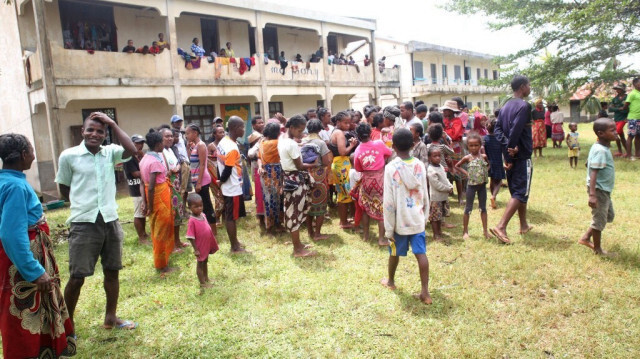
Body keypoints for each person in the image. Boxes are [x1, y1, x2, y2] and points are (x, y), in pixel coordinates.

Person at [55, 112, 138, 331]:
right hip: (83, 223)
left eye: (100, 131)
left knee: (112, 271)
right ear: (82, 132)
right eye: (90, 129)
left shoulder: (110, 153)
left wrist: (112, 123)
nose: (95, 134)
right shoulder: (69, 156)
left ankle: (110, 317)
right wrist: (81, 202)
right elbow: (64, 188)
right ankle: (67, 325)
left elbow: (132, 150)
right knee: (77, 277)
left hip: (110, 220)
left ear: (105, 135)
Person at [0, 134, 76, 359]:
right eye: (32, 150)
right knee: (24, 315)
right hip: (23, 264)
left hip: (15, 259)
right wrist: (34, 271)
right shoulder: (15, 186)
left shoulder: (7, 180)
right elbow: (12, 233)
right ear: (24, 155)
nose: (34, 155)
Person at [380, 128, 431, 305]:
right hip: (417, 218)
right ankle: (425, 292)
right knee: (421, 253)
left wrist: (388, 228)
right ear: (412, 144)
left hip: (398, 220)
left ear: (393, 146)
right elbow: (424, 191)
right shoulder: (419, 165)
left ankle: (391, 281)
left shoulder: (390, 168)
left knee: (394, 253)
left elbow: (388, 201)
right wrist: (425, 216)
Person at [491, 75, 534, 244]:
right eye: (529, 85)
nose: (530, 88)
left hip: (510, 156)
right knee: (520, 191)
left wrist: (507, 151)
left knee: (519, 190)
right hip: (522, 155)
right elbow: (516, 129)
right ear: (523, 87)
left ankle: (523, 224)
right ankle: (501, 226)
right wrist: (512, 148)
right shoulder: (524, 106)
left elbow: (498, 129)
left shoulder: (505, 106)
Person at [278, 115, 318, 257]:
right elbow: (300, 165)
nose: (301, 134)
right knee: (294, 213)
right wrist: (314, 164)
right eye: (299, 131)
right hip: (295, 179)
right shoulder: (292, 144)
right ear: (292, 128)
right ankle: (297, 250)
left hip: (288, 178)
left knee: (293, 211)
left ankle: (298, 244)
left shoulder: (282, 139)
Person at [578, 118, 617, 255]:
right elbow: (593, 172)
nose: (616, 132)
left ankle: (585, 238)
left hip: (604, 190)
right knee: (599, 219)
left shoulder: (599, 146)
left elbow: (588, 163)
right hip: (598, 191)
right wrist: (592, 195)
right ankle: (598, 249)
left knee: (607, 215)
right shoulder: (601, 150)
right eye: (612, 130)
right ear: (601, 133)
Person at [139, 130, 176, 274]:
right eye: (162, 142)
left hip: (154, 197)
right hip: (159, 199)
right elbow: (152, 186)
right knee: (161, 231)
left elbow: (142, 183)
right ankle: (162, 265)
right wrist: (148, 203)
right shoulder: (154, 162)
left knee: (157, 229)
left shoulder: (145, 159)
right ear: (158, 144)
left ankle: (164, 258)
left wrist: (145, 201)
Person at [353, 122, 392, 246]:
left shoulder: (358, 149)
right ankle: (381, 239)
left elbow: (358, 168)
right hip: (380, 180)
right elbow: (389, 152)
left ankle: (366, 236)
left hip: (367, 181)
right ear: (370, 133)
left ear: (358, 136)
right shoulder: (379, 144)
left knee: (365, 208)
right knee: (381, 210)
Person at [216, 117, 247, 253]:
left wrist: (220, 181)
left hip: (229, 185)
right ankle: (234, 247)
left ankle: (235, 241)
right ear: (235, 128)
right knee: (231, 217)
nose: (243, 130)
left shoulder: (223, 142)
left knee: (231, 216)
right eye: (242, 127)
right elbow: (228, 169)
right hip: (232, 186)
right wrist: (221, 181)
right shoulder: (231, 147)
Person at [455, 133, 490, 240]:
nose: (474, 148)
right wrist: (467, 174)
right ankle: (465, 231)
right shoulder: (467, 158)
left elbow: (488, 165)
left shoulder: (483, 157)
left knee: (483, 208)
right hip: (471, 186)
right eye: (471, 145)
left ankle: (485, 231)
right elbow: (457, 166)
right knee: (468, 208)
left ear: (480, 145)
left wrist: (485, 172)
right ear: (467, 146)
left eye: (476, 145)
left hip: (482, 186)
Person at [185, 124, 218, 239]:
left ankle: (213, 232)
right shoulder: (194, 146)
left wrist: (199, 182)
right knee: (202, 204)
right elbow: (192, 161)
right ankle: (206, 228)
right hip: (196, 179)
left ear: (195, 133)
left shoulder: (201, 145)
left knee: (207, 205)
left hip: (202, 180)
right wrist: (189, 148)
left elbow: (203, 164)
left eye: (188, 133)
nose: (186, 135)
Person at [302, 119, 333, 241]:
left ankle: (310, 232)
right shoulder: (320, 143)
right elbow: (325, 162)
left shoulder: (302, 141)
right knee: (320, 204)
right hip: (318, 174)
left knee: (308, 204)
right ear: (320, 129)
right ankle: (318, 234)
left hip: (305, 173)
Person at [160, 127, 188, 251]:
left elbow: (177, 163)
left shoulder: (171, 150)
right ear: (160, 138)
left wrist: (177, 166)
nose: (170, 138)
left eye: (171, 136)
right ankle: (171, 244)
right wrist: (171, 170)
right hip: (168, 187)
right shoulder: (160, 152)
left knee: (177, 215)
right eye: (167, 136)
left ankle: (177, 241)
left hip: (176, 186)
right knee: (170, 215)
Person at [329, 111, 358, 228]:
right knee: (344, 194)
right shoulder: (339, 133)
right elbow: (342, 152)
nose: (348, 125)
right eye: (345, 123)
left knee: (342, 192)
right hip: (342, 164)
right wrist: (352, 145)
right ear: (338, 122)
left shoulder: (334, 132)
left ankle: (344, 220)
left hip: (338, 163)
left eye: (349, 123)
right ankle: (343, 222)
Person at [185, 193, 219, 288]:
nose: (199, 208)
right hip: (199, 246)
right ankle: (202, 283)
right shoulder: (192, 220)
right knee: (200, 263)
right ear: (190, 207)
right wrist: (196, 249)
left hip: (206, 244)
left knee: (205, 261)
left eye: (201, 206)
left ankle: (206, 278)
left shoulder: (203, 215)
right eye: (196, 207)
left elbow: (206, 228)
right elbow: (190, 236)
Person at [258, 122, 284, 232]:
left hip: (265, 172)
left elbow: (258, 157)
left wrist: (260, 166)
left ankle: (269, 223)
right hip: (276, 171)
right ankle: (277, 224)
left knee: (268, 198)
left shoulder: (262, 142)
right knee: (278, 198)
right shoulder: (278, 143)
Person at [124, 134, 150, 244]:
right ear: (132, 144)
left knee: (142, 212)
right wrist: (148, 172)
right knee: (138, 214)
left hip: (141, 187)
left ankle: (144, 233)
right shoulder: (128, 157)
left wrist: (142, 155)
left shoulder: (137, 156)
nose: (140, 145)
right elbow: (135, 173)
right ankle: (141, 237)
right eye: (137, 143)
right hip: (136, 188)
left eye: (142, 143)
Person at [441, 100, 466, 205]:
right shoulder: (445, 121)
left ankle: (460, 196)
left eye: (446, 110)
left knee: (456, 171)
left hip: (455, 148)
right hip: (446, 147)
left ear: (451, 111)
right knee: (448, 169)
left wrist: (445, 133)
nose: (444, 112)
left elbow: (454, 135)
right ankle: (451, 191)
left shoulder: (457, 121)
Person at [427, 146, 453, 242]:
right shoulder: (430, 170)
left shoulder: (441, 167)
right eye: (435, 156)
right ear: (429, 158)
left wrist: (450, 186)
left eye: (439, 156)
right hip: (436, 198)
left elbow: (445, 179)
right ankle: (436, 234)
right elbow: (436, 184)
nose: (438, 158)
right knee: (434, 218)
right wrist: (447, 189)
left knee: (440, 216)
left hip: (443, 196)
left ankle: (439, 231)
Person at [483, 119, 505, 209]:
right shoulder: (499, 138)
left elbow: (484, 151)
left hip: (489, 162)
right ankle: (494, 196)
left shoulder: (485, 139)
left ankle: (492, 196)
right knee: (499, 181)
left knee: (492, 180)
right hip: (498, 161)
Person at [206, 125, 226, 224]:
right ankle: (217, 216)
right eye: (220, 132)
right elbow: (208, 161)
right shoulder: (211, 146)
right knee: (218, 196)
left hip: (224, 172)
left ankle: (224, 216)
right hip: (214, 174)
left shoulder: (226, 144)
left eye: (223, 132)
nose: (222, 134)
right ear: (214, 134)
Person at [622, 77, 640, 160]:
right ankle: (629, 155)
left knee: (638, 137)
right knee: (630, 136)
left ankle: (637, 154)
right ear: (635, 84)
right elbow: (626, 105)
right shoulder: (632, 94)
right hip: (633, 118)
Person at [608, 84, 628, 156]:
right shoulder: (615, 99)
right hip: (616, 118)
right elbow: (610, 109)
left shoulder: (627, 97)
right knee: (621, 135)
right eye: (616, 89)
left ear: (622, 89)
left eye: (618, 89)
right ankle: (621, 151)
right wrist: (619, 109)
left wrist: (618, 109)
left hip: (624, 118)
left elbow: (628, 109)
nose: (617, 90)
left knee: (616, 132)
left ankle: (627, 152)